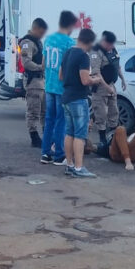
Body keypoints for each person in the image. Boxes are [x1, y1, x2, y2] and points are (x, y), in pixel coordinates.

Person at [60, 27, 97, 178]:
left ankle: (69, 165)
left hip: (66, 97)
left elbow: (61, 75)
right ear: (89, 42)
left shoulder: (68, 52)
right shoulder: (83, 56)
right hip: (78, 99)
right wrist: (96, 79)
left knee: (69, 133)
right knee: (80, 135)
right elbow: (85, 80)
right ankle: (79, 167)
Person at [41, 10, 77, 165]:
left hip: (49, 85)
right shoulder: (69, 42)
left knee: (49, 120)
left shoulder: (48, 39)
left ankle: (45, 153)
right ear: (70, 25)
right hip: (62, 87)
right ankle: (59, 155)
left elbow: (43, 63)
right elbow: (70, 67)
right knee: (61, 121)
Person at [90, 30, 126, 145]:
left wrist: (123, 79)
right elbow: (96, 73)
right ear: (104, 42)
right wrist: (106, 87)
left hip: (111, 85)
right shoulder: (96, 51)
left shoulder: (113, 49)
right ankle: (102, 140)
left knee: (114, 112)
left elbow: (117, 66)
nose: (111, 46)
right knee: (101, 114)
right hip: (100, 87)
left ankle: (113, 137)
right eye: (110, 44)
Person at [18, 17, 48, 147]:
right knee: (34, 111)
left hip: (42, 81)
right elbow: (26, 62)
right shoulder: (27, 42)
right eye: (41, 32)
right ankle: (34, 137)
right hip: (33, 81)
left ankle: (47, 135)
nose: (42, 35)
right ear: (35, 29)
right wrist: (40, 67)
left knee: (44, 111)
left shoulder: (37, 42)